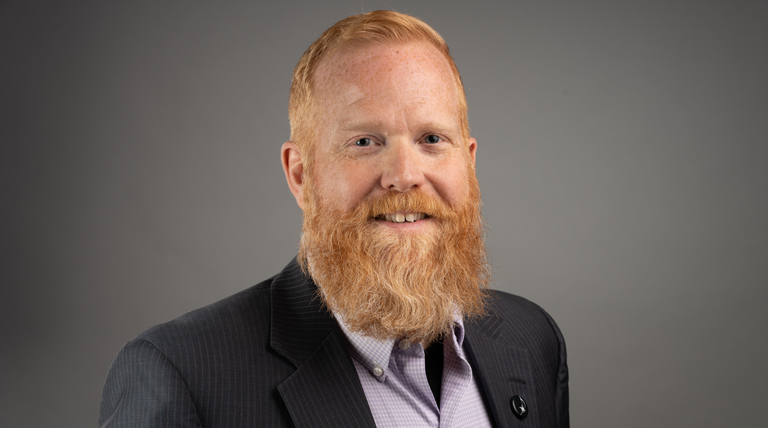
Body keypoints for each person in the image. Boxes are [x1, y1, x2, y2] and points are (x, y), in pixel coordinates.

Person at [99, 10, 568, 428]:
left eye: (431, 139)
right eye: (365, 142)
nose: (404, 176)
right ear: (301, 175)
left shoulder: (533, 338)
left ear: (467, 162)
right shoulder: (182, 373)